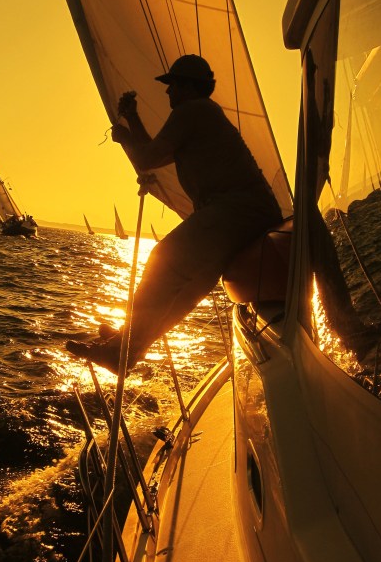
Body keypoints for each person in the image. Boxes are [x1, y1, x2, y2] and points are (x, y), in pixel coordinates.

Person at [66, 54, 283, 374]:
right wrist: (133, 119)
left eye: (173, 85)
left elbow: (147, 158)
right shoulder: (200, 114)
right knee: (187, 290)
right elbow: (155, 151)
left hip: (236, 209)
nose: (167, 92)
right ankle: (129, 345)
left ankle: (125, 348)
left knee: (162, 258)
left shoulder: (193, 110)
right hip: (248, 212)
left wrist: (123, 134)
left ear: (189, 87)